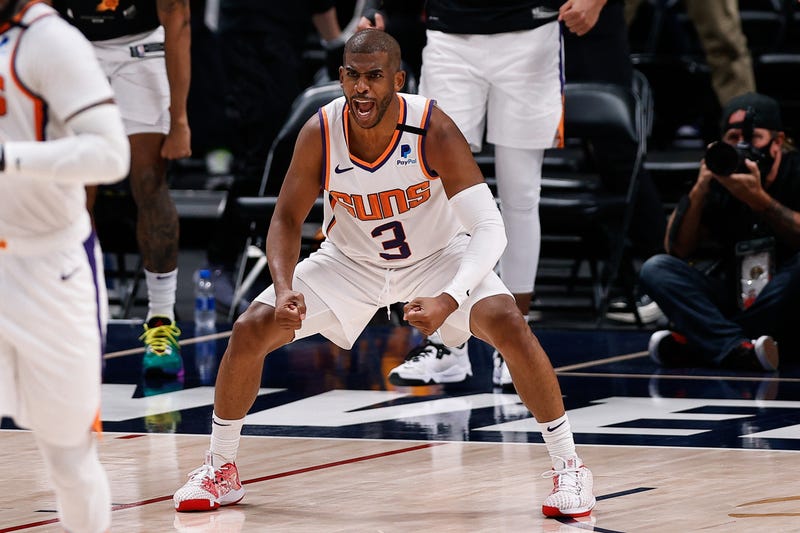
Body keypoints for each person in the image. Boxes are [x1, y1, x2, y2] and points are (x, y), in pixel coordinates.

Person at [173, 29, 595, 519]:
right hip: (349, 262)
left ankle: (570, 466)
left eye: (374, 77)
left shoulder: (432, 128)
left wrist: (451, 298)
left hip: (437, 256)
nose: (362, 89)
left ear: (398, 78)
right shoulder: (321, 131)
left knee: (507, 321)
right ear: (341, 78)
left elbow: (489, 227)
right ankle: (220, 467)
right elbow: (286, 220)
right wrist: (285, 287)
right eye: (352, 76)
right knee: (250, 329)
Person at [357, 0, 606, 388]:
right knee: (435, 191)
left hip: (531, 33)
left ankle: (514, 340)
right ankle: (445, 344)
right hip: (448, 36)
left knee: (521, 194)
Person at [0, 0, 130, 531]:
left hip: (49, 268)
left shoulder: (50, 40)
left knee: (68, 457)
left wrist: (10, 158)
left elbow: (111, 155)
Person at [52, 0, 192, 377]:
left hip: (142, 46)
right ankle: (76, 321)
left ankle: (161, 320)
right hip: (74, 46)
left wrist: (179, 120)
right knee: (74, 191)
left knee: (149, 181)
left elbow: (177, 19)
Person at [203, 0, 346, 315]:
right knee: (262, 153)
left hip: (282, 40)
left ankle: (264, 265)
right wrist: (334, 41)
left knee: (285, 151)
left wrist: (335, 42)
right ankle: (222, 264)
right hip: (249, 39)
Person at [640, 92, 800, 371]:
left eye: (753, 138)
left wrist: (760, 201)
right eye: (733, 138)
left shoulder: (795, 170)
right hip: (735, 290)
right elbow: (676, 249)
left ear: (777, 143)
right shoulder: (720, 176)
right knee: (656, 268)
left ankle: (706, 343)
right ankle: (738, 348)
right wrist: (700, 189)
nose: (742, 146)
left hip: (786, 300)